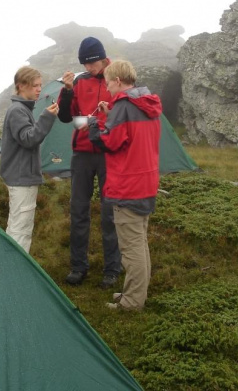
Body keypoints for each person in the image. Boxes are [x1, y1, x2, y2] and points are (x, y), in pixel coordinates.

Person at [87, 60, 161, 310]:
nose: (107, 88)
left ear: (118, 81)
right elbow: (132, 136)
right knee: (139, 242)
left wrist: (94, 126)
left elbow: (111, 142)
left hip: (128, 186)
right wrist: (112, 116)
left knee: (131, 248)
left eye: (108, 82)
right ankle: (136, 293)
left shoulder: (123, 106)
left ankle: (131, 302)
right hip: (146, 183)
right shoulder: (147, 103)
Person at [57, 36, 121, 288]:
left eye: (92, 64)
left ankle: (112, 268)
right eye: (84, 65)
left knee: (109, 213)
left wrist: (96, 123)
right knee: (79, 210)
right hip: (82, 153)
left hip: (108, 153)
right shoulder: (80, 82)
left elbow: (124, 114)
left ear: (104, 59)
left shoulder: (116, 78)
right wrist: (68, 90)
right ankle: (78, 266)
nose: (88, 69)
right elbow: (66, 117)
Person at [0, 66, 59, 253]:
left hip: (23, 177)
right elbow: (29, 138)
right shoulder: (18, 110)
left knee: (17, 225)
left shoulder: (22, 109)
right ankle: (15, 273)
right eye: (35, 86)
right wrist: (47, 117)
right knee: (21, 230)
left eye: (40, 85)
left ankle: (10, 267)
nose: (39, 89)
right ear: (21, 86)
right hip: (21, 178)